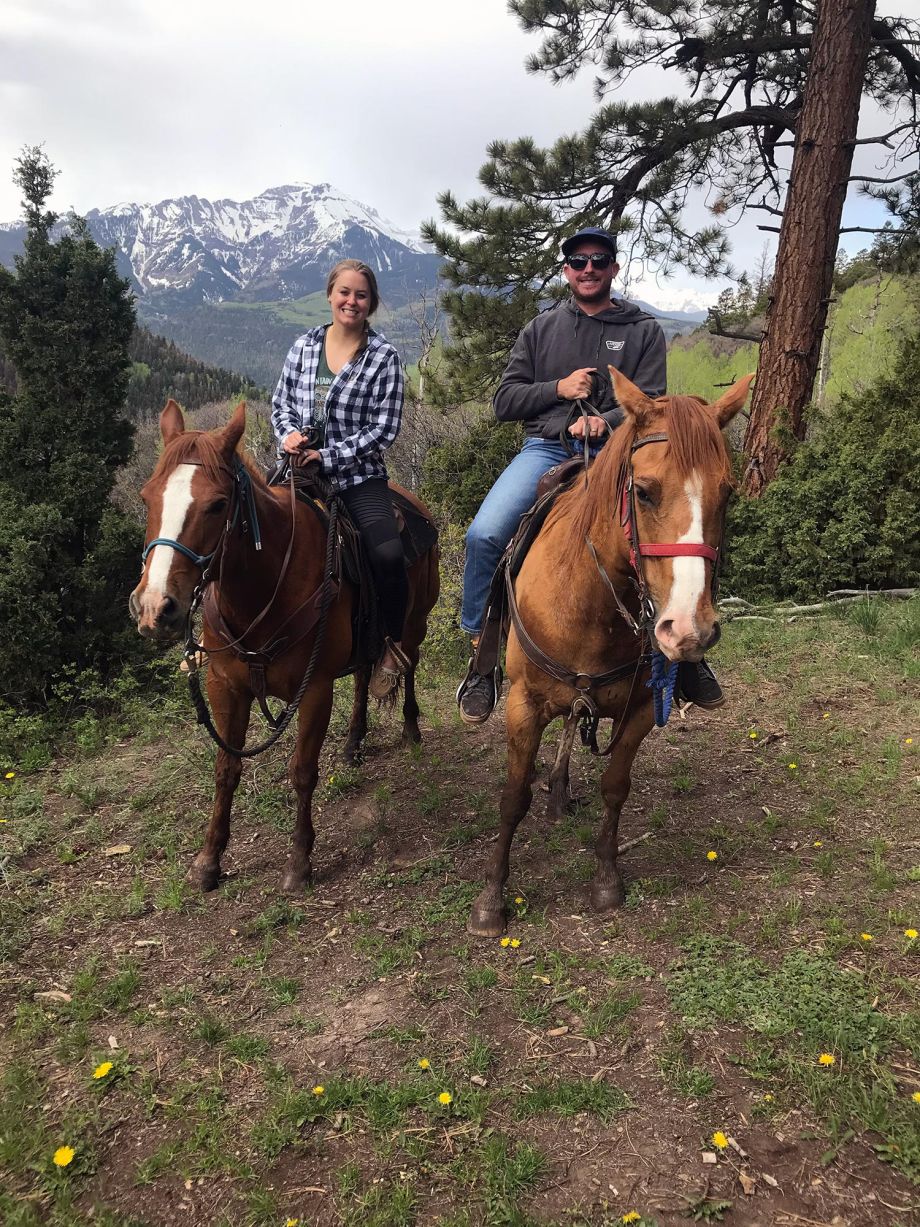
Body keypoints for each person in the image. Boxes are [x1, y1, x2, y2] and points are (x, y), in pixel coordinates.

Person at [456, 227, 723, 723]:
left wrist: (609, 421)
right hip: (545, 449)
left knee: (683, 527)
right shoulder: (541, 329)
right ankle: (483, 652)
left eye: (599, 260)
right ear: (567, 271)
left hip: (619, 454)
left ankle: (690, 656)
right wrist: (559, 389)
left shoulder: (642, 330)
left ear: (613, 269)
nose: (588, 268)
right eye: (578, 261)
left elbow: (653, 405)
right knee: (485, 534)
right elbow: (504, 401)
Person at [271, 258, 410, 699]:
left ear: (371, 303)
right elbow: (280, 403)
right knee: (238, 524)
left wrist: (327, 455)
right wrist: (289, 435)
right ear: (330, 295)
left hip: (357, 477)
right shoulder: (304, 346)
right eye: (345, 292)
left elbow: (383, 429)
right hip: (296, 471)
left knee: (387, 553)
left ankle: (392, 641)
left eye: (361, 295)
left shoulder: (384, 357)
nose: (352, 301)